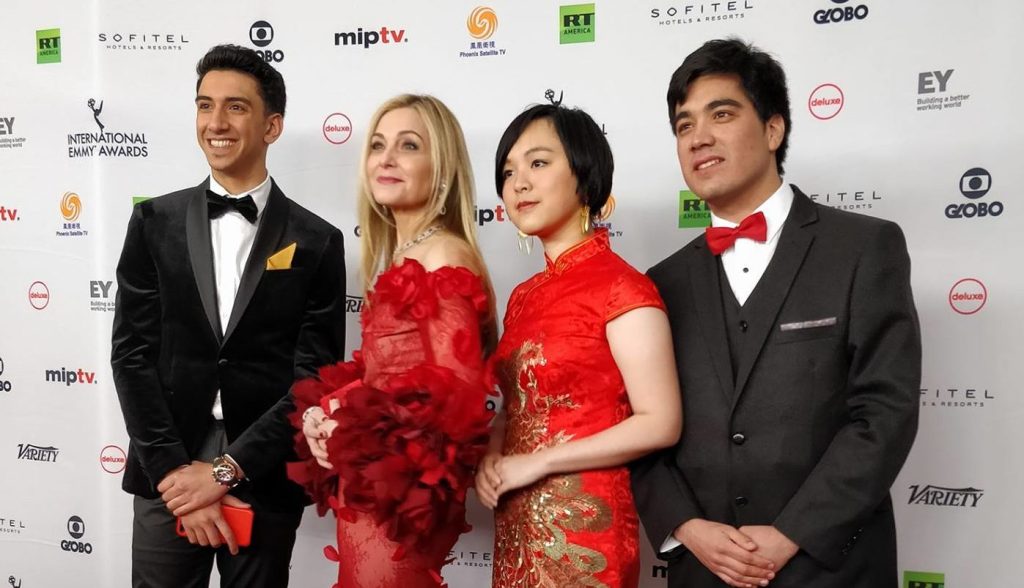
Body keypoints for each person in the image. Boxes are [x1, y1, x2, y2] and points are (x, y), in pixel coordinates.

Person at [631, 38, 921, 588]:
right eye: (684, 125)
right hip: (703, 571)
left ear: (773, 129)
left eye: (721, 114)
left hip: (832, 568)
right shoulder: (658, 283)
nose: (699, 137)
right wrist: (686, 527)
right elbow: (641, 428)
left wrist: (793, 533)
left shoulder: (863, 248)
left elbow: (885, 412)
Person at [111, 44, 346, 588]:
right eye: (204, 105)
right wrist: (177, 475)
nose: (215, 122)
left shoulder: (317, 240)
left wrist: (226, 470)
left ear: (272, 126)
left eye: (236, 107)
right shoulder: (152, 222)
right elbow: (132, 356)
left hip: (263, 466)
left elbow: (314, 378)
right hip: (165, 463)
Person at [290, 94, 497, 587]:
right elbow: (381, 377)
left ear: (442, 168)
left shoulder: (443, 255)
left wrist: (348, 425)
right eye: (378, 145)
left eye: (408, 145)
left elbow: (453, 408)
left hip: (400, 506)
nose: (386, 158)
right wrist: (324, 412)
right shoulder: (407, 253)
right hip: (370, 493)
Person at [477, 103, 683, 588]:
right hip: (516, 523)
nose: (519, 183)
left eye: (538, 162)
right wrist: (492, 454)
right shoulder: (523, 297)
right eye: (508, 172)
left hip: (584, 532)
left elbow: (661, 422)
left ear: (585, 175)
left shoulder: (622, 287)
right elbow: (516, 405)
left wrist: (539, 462)